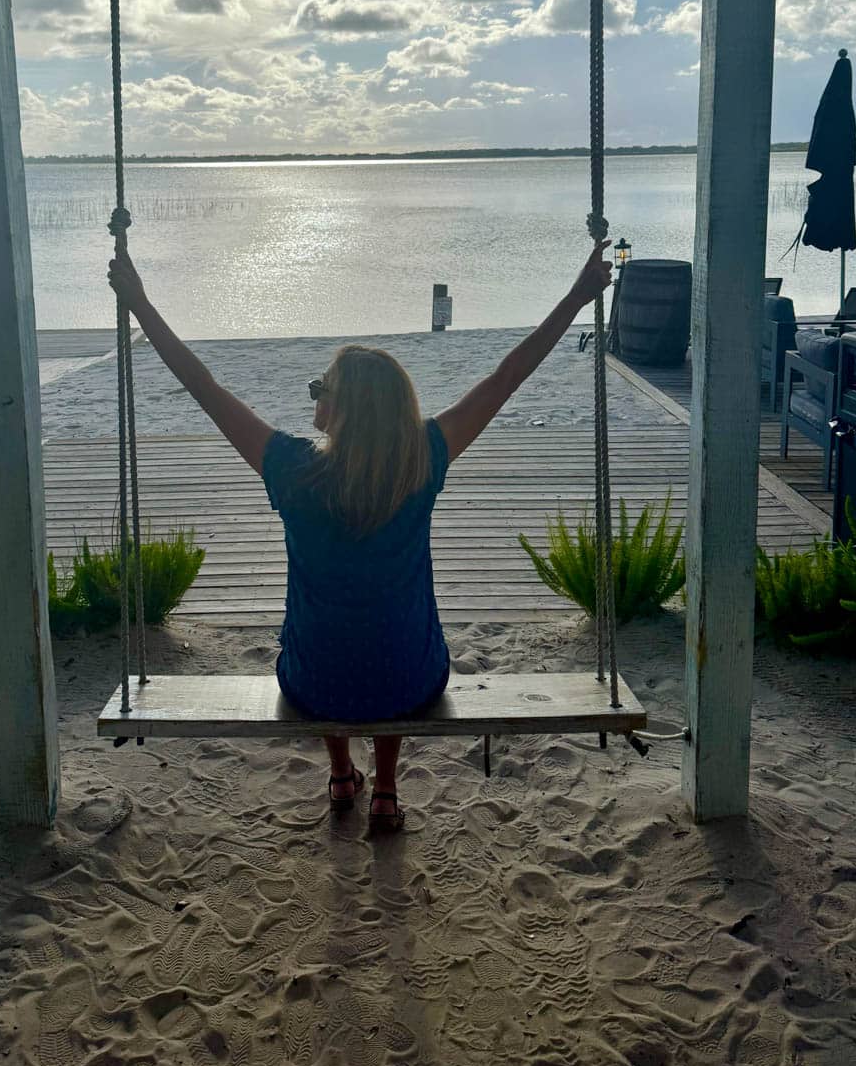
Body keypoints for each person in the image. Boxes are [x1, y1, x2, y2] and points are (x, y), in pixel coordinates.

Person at [108, 239, 613, 834]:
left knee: (325, 641)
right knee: (390, 643)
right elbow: (506, 377)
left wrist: (140, 304)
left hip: (314, 682)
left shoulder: (291, 467)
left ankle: (343, 772)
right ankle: (387, 790)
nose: (314, 394)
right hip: (411, 677)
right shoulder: (424, 455)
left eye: (321, 386)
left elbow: (204, 384)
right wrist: (577, 297)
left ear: (340, 407)